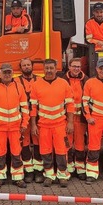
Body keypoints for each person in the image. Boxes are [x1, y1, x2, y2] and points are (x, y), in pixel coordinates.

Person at [30, 59, 75, 188]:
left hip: (60, 125)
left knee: (62, 151)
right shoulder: (36, 84)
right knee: (45, 151)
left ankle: (62, 175)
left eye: (51, 68)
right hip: (43, 125)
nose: (49, 71)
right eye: (47, 68)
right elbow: (33, 107)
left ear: (56, 69)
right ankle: (49, 175)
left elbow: (70, 105)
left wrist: (70, 122)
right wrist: (33, 125)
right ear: (43, 69)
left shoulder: (63, 84)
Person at [0, 63, 29, 188]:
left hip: (16, 128)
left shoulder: (18, 87)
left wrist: (24, 123)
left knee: (16, 152)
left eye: (9, 72)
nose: (7, 75)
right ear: (0, 73)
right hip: (0, 128)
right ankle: (0, 177)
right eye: (5, 72)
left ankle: (18, 178)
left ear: (12, 73)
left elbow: (25, 107)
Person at [15, 58, 43, 183]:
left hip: (38, 118)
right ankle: (28, 172)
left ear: (32, 66)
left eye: (28, 65)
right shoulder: (16, 81)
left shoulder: (40, 80)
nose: (26, 67)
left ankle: (38, 172)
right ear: (20, 68)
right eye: (24, 65)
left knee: (38, 145)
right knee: (24, 145)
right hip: (23, 118)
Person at [63, 58, 88, 179]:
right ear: (69, 67)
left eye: (78, 66)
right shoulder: (63, 80)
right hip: (67, 119)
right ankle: (69, 167)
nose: (76, 69)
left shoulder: (86, 80)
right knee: (67, 144)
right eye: (74, 66)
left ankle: (80, 169)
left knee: (80, 144)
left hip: (81, 119)